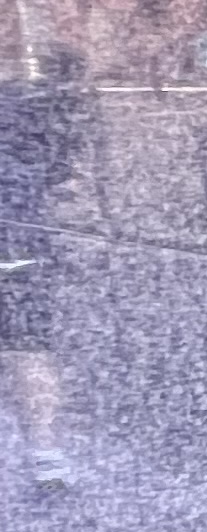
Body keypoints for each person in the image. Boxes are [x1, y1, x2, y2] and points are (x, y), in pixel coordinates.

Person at [0, 60, 91, 490]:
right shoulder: (25, 104)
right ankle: (47, 455)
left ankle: (46, 454)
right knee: (29, 348)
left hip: (18, 245)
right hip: (20, 248)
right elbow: (62, 176)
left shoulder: (21, 102)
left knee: (29, 349)